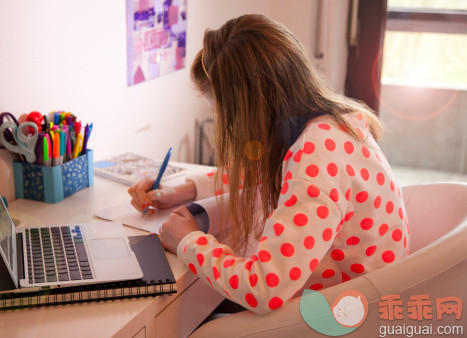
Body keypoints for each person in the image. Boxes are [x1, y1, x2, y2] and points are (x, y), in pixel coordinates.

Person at [128, 14, 409, 315]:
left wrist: (187, 241)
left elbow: (262, 288)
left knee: (180, 316)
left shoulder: (314, 163)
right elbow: (264, 172)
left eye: (226, 116)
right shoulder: (331, 125)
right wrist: (185, 190)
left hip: (341, 313)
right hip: (359, 293)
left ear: (249, 111)